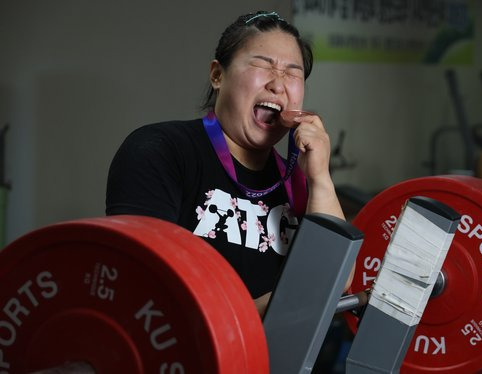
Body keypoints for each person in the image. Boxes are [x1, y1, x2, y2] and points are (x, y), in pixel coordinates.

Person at [105, 10, 351, 317]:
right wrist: (273, 309)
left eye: (292, 72)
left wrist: (319, 176)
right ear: (217, 75)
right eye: (263, 64)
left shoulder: (297, 179)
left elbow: (340, 278)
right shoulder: (159, 150)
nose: (278, 84)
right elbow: (141, 287)